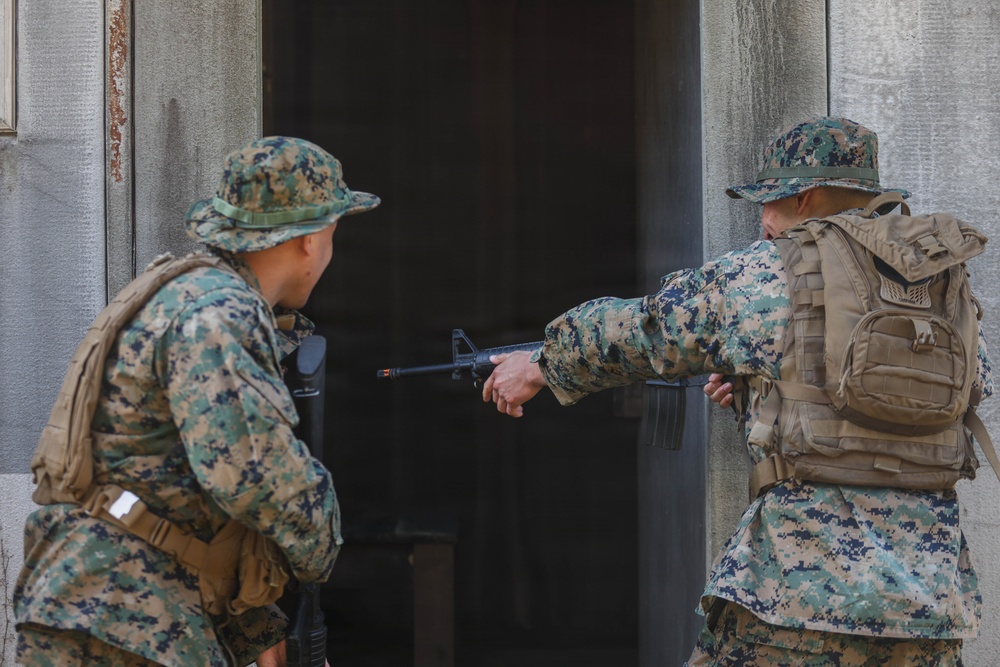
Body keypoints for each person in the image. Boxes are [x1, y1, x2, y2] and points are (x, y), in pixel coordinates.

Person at [482, 117, 992, 665]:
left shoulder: (769, 270)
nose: (763, 221)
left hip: (796, 595)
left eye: (768, 203)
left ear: (806, 197)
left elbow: (649, 331)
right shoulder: (942, 285)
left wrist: (539, 364)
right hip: (929, 600)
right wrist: (764, 394)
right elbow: (951, 397)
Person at [14, 136, 379, 666]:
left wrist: (261, 630)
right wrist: (320, 544)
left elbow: (180, 503)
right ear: (310, 239)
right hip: (126, 614)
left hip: (110, 604)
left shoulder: (185, 295)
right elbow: (253, 477)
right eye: (334, 232)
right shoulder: (221, 311)